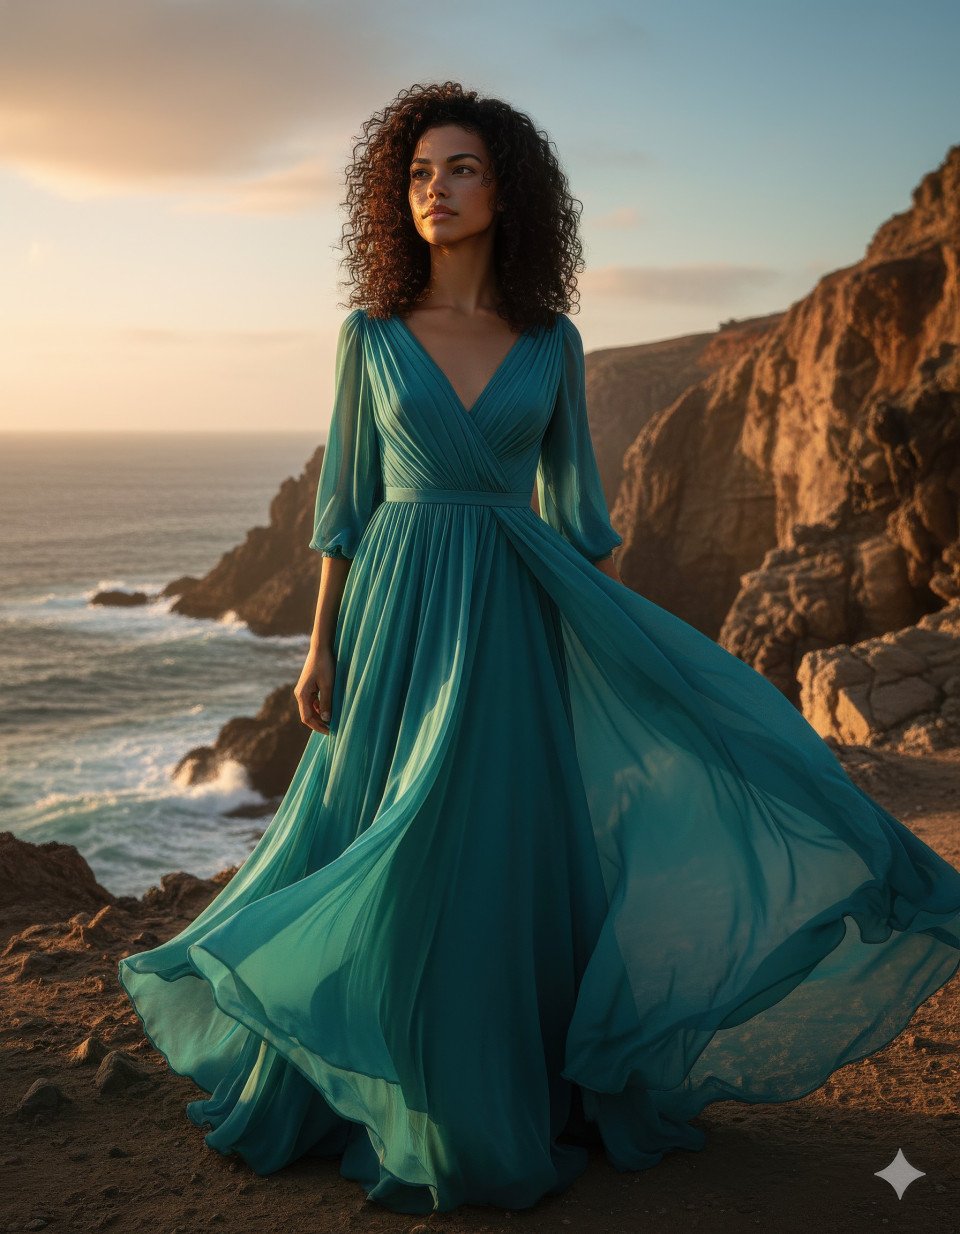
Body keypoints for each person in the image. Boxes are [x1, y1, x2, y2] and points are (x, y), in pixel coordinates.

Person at [117, 82, 960, 1216]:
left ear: (504, 188)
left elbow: (583, 517)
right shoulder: (369, 337)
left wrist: (618, 654)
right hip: (399, 611)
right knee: (394, 837)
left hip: (516, 613)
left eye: (459, 169)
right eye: (418, 173)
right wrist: (317, 650)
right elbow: (345, 509)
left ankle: (498, 1086)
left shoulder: (553, 343)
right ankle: (384, 1084)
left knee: (492, 853)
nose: (436, 190)